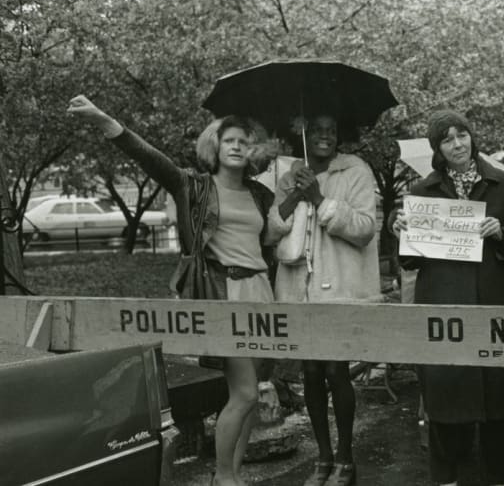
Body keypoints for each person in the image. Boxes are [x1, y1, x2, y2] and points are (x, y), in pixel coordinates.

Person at [67, 95, 275, 486]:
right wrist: (102, 118)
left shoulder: (260, 194)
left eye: (243, 142)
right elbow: (148, 156)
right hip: (221, 294)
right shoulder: (193, 186)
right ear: (215, 146)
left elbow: (270, 241)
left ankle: (234, 474)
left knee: (249, 397)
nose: (236, 146)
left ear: (253, 151)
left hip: (260, 292)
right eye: (229, 140)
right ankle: (224, 478)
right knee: (245, 393)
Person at [391, 110, 504, 486]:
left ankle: (499, 478)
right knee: (445, 400)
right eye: (448, 139)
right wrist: (402, 229)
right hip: (443, 309)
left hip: (493, 306)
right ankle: (447, 480)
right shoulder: (423, 192)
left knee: (497, 402)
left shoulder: (503, 185)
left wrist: (502, 233)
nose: (458, 144)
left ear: (472, 138)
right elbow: (409, 259)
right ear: (438, 148)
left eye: (462, 136)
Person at [265, 114, 379, 486]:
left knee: (336, 370)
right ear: (305, 135)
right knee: (311, 374)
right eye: (317, 131)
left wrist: (320, 200)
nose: (324, 137)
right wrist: (298, 193)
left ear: (339, 135)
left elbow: (365, 229)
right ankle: (323, 458)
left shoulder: (356, 170)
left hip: (340, 289)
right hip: (299, 291)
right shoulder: (289, 176)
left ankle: (345, 459)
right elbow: (271, 232)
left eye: (331, 131)